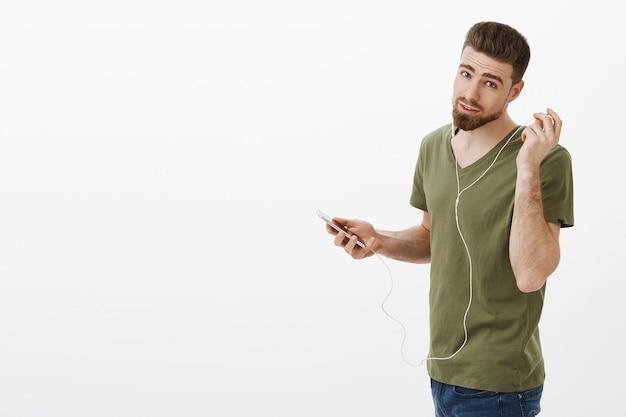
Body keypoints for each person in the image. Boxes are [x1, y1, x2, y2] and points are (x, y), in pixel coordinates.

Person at [322, 21, 574, 417]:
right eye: (466, 73)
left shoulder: (547, 160)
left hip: (499, 386)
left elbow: (531, 274)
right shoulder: (432, 146)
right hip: (442, 372)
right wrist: (379, 240)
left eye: (490, 83)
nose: (470, 93)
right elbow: (432, 236)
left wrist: (527, 169)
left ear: (515, 91)